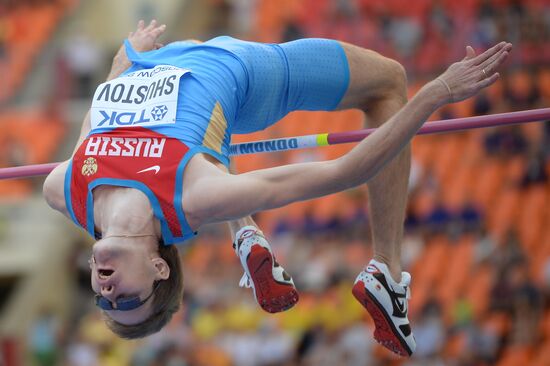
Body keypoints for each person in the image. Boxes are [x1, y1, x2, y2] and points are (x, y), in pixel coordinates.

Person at [42, 20, 511, 357]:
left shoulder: (64, 190)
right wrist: (436, 93)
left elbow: (96, 118)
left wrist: (122, 61)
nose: (107, 291)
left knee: (215, 155)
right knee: (389, 81)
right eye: (127, 299)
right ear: (158, 268)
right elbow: (343, 172)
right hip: (241, 73)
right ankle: (386, 270)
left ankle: (244, 233)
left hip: (152, 61)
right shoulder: (192, 196)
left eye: (105, 301)